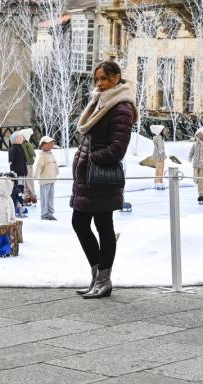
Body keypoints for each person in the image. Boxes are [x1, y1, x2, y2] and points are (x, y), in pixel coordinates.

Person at [71, 61, 137, 299]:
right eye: (97, 79)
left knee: (103, 227)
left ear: (117, 78)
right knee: (80, 223)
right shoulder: (101, 101)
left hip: (100, 178)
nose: (99, 83)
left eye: (105, 79)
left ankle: (103, 280)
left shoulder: (121, 107)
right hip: (88, 179)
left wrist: (90, 158)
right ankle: (97, 276)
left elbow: (117, 149)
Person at [35, 136, 59, 220]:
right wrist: (36, 175)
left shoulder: (51, 155)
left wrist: (57, 171)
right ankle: (44, 214)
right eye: (48, 143)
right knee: (44, 197)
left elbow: (55, 164)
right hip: (44, 180)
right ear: (43, 145)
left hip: (52, 179)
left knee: (50, 197)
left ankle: (50, 212)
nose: (51, 145)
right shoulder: (42, 156)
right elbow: (38, 166)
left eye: (51, 143)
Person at [189, 127, 203, 204]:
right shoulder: (195, 144)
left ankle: (201, 195)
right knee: (195, 179)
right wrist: (189, 158)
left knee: (201, 179)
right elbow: (191, 152)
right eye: (199, 134)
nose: (201, 136)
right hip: (196, 165)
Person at [8, 132, 28, 217]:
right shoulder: (13, 149)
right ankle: (16, 205)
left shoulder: (21, 148)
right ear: (15, 139)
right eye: (20, 137)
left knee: (21, 189)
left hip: (22, 172)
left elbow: (24, 160)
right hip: (16, 173)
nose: (22, 138)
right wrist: (12, 172)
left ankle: (20, 205)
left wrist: (25, 169)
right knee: (17, 189)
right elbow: (11, 161)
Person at [19, 128, 38, 205]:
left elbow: (33, 153)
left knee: (28, 180)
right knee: (26, 181)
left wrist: (32, 159)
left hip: (28, 164)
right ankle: (28, 196)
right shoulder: (23, 144)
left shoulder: (26, 144)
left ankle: (32, 196)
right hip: (25, 164)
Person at [151, 125, 167, 190]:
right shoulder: (159, 137)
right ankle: (159, 182)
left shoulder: (155, 137)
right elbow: (160, 147)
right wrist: (163, 153)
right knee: (160, 169)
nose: (165, 131)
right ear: (160, 131)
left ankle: (157, 181)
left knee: (158, 169)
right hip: (160, 156)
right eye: (164, 130)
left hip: (156, 155)